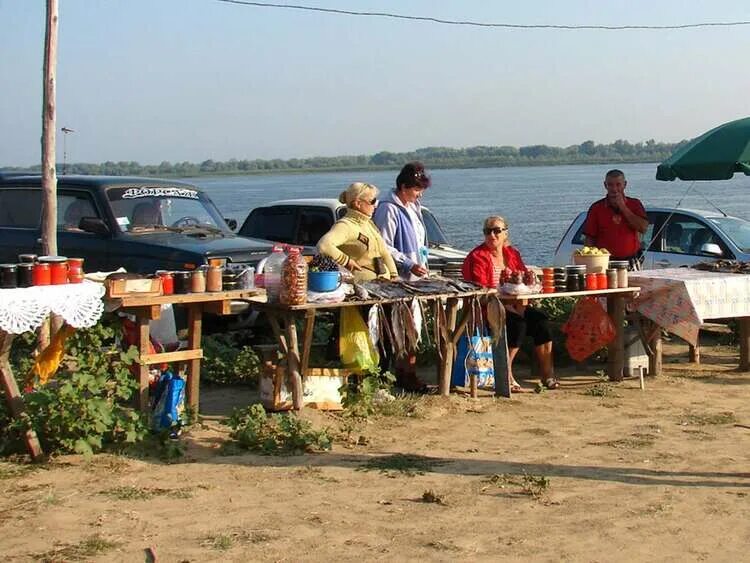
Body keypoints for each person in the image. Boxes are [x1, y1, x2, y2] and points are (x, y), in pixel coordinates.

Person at [462, 215, 558, 391]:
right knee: (517, 324)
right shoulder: (478, 256)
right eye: (487, 231)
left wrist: (524, 296)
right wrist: (510, 303)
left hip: (516, 305)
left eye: (497, 231)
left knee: (540, 321)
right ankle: (505, 374)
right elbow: (482, 290)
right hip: (488, 308)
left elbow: (522, 283)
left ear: (505, 233)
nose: (492, 235)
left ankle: (548, 374)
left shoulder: (512, 254)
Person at [317, 182, 398, 282]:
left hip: (384, 284)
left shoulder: (369, 224)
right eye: (372, 201)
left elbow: (384, 253)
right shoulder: (345, 225)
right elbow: (324, 246)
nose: (375, 206)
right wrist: (347, 261)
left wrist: (394, 276)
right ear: (358, 203)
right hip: (363, 287)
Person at [373, 161, 431, 281]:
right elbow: (383, 246)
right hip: (399, 279)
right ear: (404, 187)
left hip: (418, 278)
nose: (420, 195)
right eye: (417, 190)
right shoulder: (388, 209)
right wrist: (408, 264)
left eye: (422, 190)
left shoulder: (413, 207)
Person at [583, 169, 648, 266]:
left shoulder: (635, 204)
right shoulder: (596, 208)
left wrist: (623, 207)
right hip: (604, 262)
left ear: (625, 185)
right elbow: (589, 239)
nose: (614, 189)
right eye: (610, 185)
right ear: (605, 185)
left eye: (618, 185)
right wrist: (589, 262)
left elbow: (643, 228)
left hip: (631, 260)